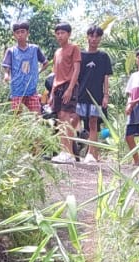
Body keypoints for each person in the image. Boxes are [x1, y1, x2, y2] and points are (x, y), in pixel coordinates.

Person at [75, 26, 113, 163]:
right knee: (75, 120)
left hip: (96, 95)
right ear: (87, 37)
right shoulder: (80, 55)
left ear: (100, 38)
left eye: (97, 36)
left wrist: (106, 95)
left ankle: (92, 154)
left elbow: (106, 77)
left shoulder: (103, 56)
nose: (94, 39)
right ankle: (75, 149)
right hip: (81, 95)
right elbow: (76, 76)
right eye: (91, 36)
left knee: (93, 122)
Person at [48, 24, 82, 164]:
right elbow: (55, 74)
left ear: (68, 34)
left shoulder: (74, 48)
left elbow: (76, 70)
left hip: (69, 85)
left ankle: (68, 152)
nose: (60, 35)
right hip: (58, 86)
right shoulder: (57, 52)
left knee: (66, 116)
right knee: (60, 118)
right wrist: (51, 93)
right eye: (58, 33)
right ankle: (63, 151)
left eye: (63, 32)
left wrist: (70, 89)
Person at [1, 22, 47, 114]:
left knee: (37, 115)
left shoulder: (34, 49)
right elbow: (7, 66)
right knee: (16, 117)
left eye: (22, 32)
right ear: (14, 35)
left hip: (31, 89)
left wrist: (37, 72)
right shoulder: (11, 51)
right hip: (17, 89)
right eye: (17, 32)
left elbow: (45, 63)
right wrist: (6, 75)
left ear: (27, 33)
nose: (20, 34)